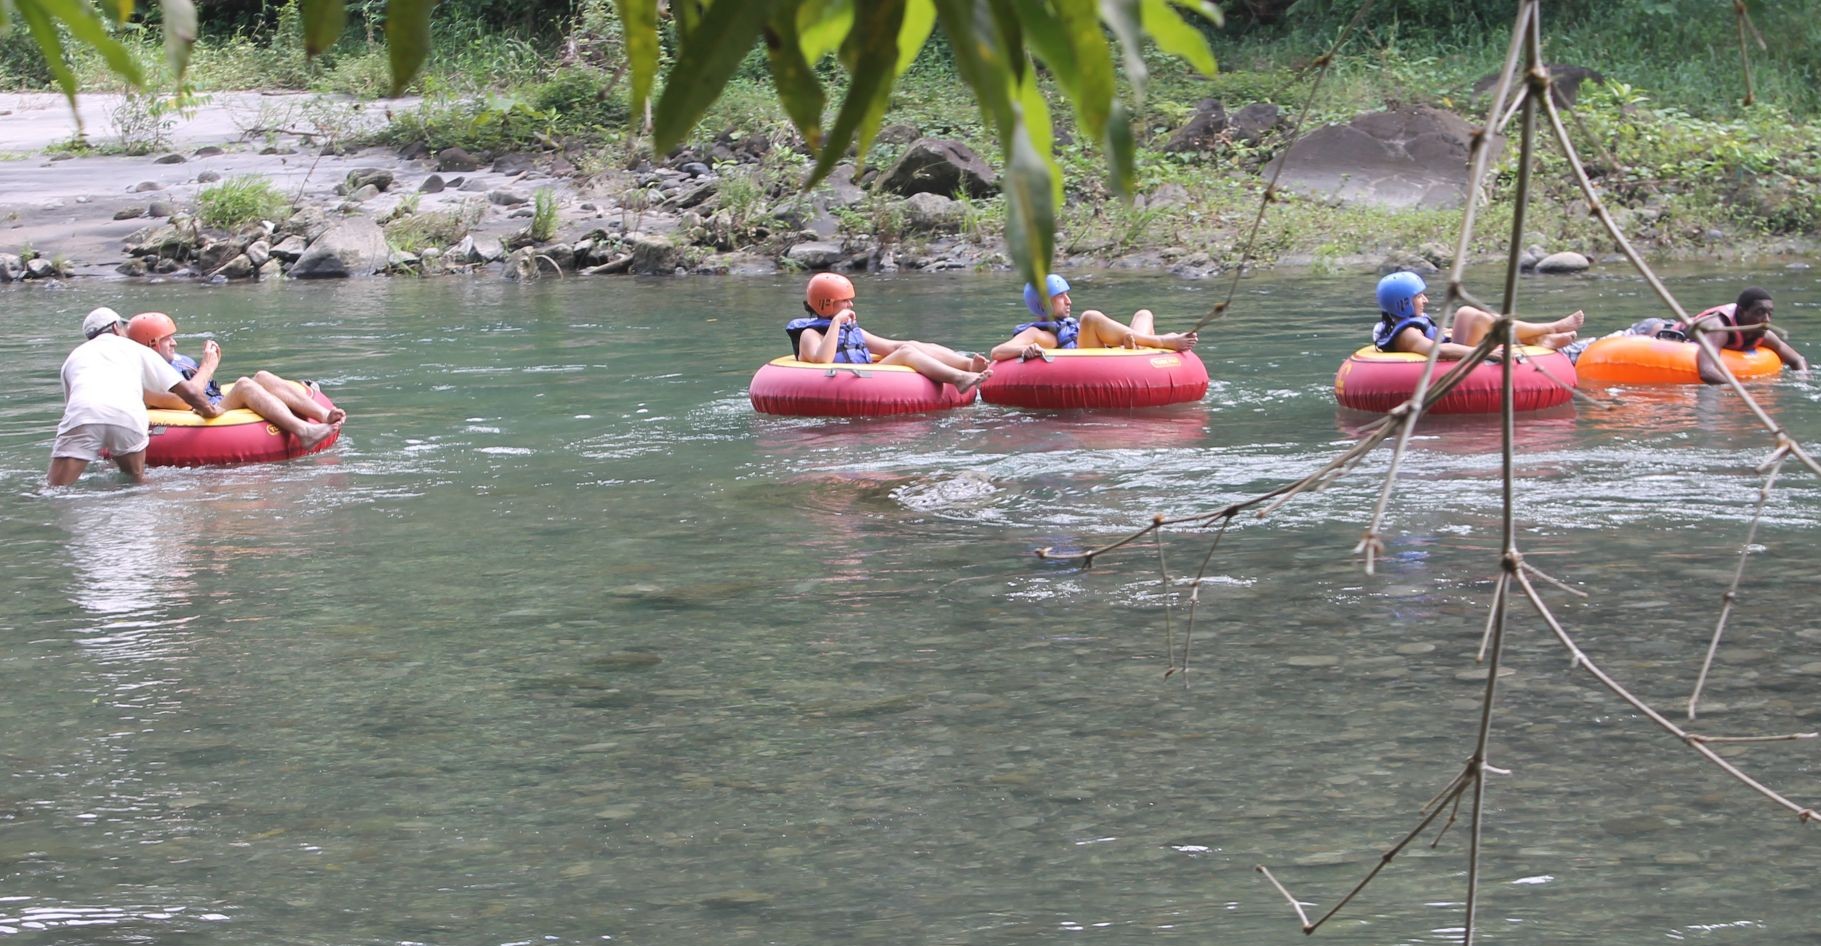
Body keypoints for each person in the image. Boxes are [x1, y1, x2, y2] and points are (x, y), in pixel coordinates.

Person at [47, 307, 223, 487]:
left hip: (85, 415)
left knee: (54, 489)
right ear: (116, 328)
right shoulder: (136, 349)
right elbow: (189, 392)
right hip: (128, 418)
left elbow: (71, 405)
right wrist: (210, 411)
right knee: (136, 484)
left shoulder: (74, 357)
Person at [126, 312, 344, 447]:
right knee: (244, 385)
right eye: (167, 339)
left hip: (213, 402)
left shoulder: (173, 360)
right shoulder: (144, 377)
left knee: (262, 376)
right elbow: (184, 401)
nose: (174, 343)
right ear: (152, 344)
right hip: (198, 415)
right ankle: (304, 431)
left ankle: (323, 415)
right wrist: (208, 366)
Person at [786, 273, 991, 392]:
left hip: (864, 377)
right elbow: (823, 362)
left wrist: (911, 346)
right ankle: (958, 379)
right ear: (827, 305)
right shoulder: (810, 335)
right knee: (906, 353)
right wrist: (836, 322)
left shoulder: (851, 331)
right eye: (845, 300)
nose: (851, 304)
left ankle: (966, 365)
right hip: (842, 384)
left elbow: (891, 347)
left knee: (907, 346)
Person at [1373, 271, 1583, 359]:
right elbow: (1435, 349)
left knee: (1465, 313)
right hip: (1453, 368)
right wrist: (1482, 353)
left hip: (1455, 354)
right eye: (1419, 297)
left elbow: (1437, 336)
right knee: (1480, 319)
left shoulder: (1408, 324)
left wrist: (1447, 331)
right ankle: (1549, 329)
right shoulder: (1407, 334)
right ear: (1403, 303)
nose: (1425, 300)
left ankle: (1541, 338)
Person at [989, 274, 1198, 361]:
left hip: (1107, 357)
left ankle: (1135, 348)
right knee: (1089, 318)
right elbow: (997, 352)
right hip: (1083, 365)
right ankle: (1161, 341)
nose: (1069, 301)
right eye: (1061, 297)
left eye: (1067, 295)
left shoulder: (1068, 325)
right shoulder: (1036, 333)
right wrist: (1026, 349)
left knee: (1144, 314)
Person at [1681, 287, 1806, 383]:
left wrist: (1803, 381)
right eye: (1760, 312)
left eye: (1769, 313)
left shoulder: (1764, 334)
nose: (1767, 319)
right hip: (1676, 334)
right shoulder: (1719, 329)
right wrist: (1743, 391)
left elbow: (1797, 359)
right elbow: (1707, 371)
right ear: (1741, 312)